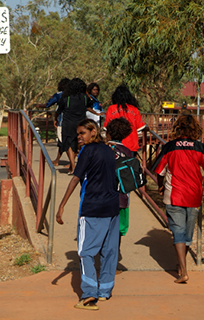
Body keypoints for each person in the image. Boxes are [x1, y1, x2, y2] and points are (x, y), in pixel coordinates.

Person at [151, 114, 204, 284]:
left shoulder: (169, 147)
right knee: (186, 234)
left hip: (174, 195)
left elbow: (159, 171)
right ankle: (182, 266)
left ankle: (183, 270)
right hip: (194, 196)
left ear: (177, 128)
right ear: (195, 130)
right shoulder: (200, 148)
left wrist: (161, 186)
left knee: (178, 232)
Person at [56, 119, 120, 310]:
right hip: (112, 207)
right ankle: (105, 291)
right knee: (110, 251)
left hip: (92, 208)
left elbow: (76, 177)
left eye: (82, 133)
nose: (79, 137)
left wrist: (62, 205)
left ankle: (89, 294)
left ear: (93, 132)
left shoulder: (87, 151)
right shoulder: (109, 150)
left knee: (85, 252)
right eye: (78, 134)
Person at [105, 117, 133, 250]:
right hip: (122, 197)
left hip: (102, 196)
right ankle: (113, 262)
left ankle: (102, 260)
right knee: (118, 231)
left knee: (103, 229)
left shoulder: (102, 149)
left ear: (107, 133)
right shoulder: (128, 152)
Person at [56, 78, 92, 174]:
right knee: (79, 144)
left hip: (68, 124)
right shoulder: (84, 97)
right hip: (81, 124)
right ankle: (76, 166)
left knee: (68, 144)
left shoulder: (66, 98)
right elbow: (90, 104)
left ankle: (73, 166)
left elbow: (59, 110)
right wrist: (87, 93)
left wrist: (55, 119)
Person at [104, 85, 146, 155]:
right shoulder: (134, 109)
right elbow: (140, 127)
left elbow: (106, 127)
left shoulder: (111, 108)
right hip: (131, 145)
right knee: (130, 164)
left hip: (115, 145)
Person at [46, 78, 70, 166]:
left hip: (63, 121)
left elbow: (49, 104)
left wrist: (39, 105)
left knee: (65, 141)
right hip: (74, 121)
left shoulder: (59, 95)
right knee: (61, 142)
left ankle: (72, 163)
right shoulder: (75, 95)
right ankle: (57, 160)